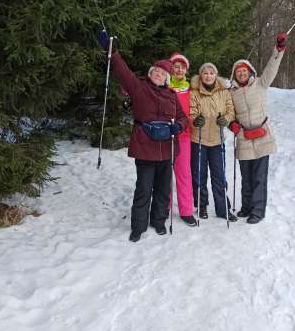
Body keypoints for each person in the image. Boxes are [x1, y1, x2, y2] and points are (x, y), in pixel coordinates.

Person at [98, 31, 188, 242]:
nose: (158, 75)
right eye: (156, 71)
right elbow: (122, 71)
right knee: (143, 189)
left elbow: (184, 118)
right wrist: (112, 51)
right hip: (145, 147)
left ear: (167, 79)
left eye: (162, 74)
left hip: (167, 149)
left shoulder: (172, 96)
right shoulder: (138, 87)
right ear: (151, 73)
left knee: (163, 190)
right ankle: (138, 225)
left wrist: (179, 127)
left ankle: (159, 222)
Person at [228, 33, 287, 224]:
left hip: (262, 136)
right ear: (234, 75)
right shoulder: (232, 93)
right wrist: (232, 123)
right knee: (246, 177)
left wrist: (278, 50)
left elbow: (272, 67)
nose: (242, 74)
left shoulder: (261, 84)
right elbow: (229, 112)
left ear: (250, 72)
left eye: (244, 71)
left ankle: (258, 211)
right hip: (244, 137)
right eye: (239, 72)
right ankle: (246, 207)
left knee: (260, 177)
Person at [190, 63, 237, 222]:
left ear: (215, 75)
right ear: (201, 75)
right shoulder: (194, 92)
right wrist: (195, 120)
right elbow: (190, 112)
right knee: (199, 175)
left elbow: (231, 111)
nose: (208, 76)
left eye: (211, 73)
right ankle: (201, 206)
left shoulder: (224, 92)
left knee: (219, 176)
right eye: (205, 73)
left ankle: (223, 208)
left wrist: (226, 119)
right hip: (199, 139)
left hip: (217, 140)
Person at [169, 52, 197, 226]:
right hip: (164, 136)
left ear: (186, 70)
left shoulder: (191, 89)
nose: (179, 70)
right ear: (171, 69)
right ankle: (163, 208)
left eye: (182, 67)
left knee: (184, 174)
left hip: (184, 136)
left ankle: (186, 211)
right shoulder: (163, 86)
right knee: (164, 174)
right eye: (176, 67)